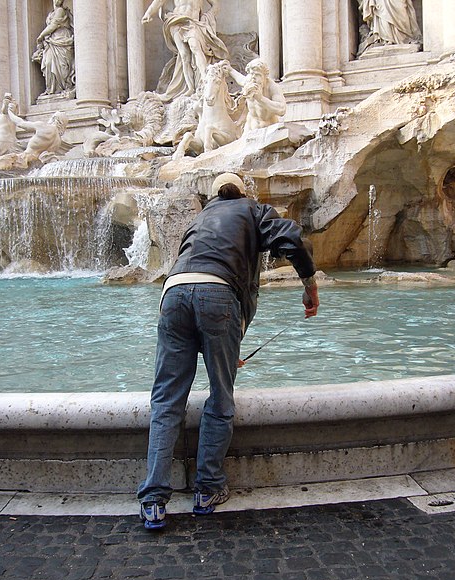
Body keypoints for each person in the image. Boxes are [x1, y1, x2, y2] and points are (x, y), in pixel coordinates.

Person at [137, 172, 320, 530]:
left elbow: (195, 280)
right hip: (217, 296)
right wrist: (309, 285)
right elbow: (291, 237)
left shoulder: (200, 217)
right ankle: (207, 489)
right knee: (221, 397)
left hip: (172, 293)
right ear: (243, 192)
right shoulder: (251, 209)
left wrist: (223, 343)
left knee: (165, 400)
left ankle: (154, 500)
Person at [142, 0, 229, 101]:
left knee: (195, 47)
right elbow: (159, 1)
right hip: (176, 20)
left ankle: (206, 80)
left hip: (193, 22)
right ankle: (190, 87)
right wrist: (148, 13)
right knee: (184, 55)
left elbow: (215, 4)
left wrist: (208, 16)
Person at [226, 58, 287, 133]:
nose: (253, 78)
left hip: (268, 129)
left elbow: (282, 109)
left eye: (257, 75)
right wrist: (230, 70)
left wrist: (260, 98)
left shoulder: (272, 87)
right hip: (250, 127)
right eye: (251, 74)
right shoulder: (250, 81)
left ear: (265, 76)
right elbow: (241, 79)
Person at [33, 0, 75, 96]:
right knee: (48, 63)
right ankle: (51, 89)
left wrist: (41, 35)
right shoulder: (51, 13)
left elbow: (54, 25)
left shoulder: (60, 10)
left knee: (62, 65)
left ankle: (65, 86)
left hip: (62, 38)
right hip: (51, 42)